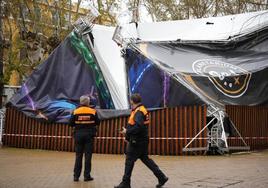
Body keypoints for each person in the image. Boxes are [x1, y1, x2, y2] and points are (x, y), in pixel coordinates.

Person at [115, 93, 168, 188]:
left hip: (137, 141)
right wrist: (128, 136)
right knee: (146, 159)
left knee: (129, 161)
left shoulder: (139, 111)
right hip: (142, 140)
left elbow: (138, 127)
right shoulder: (141, 110)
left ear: (131, 101)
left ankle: (125, 183)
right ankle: (161, 177)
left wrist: (127, 132)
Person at [69, 95, 100, 182]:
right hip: (89, 136)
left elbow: (70, 123)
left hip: (78, 135)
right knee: (88, 156)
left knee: (78, 156)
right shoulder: (93, 111)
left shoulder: (75, 111)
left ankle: (76, 176)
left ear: (80, 102)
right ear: (88, 102)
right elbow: (98, 122)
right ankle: (87, 176)